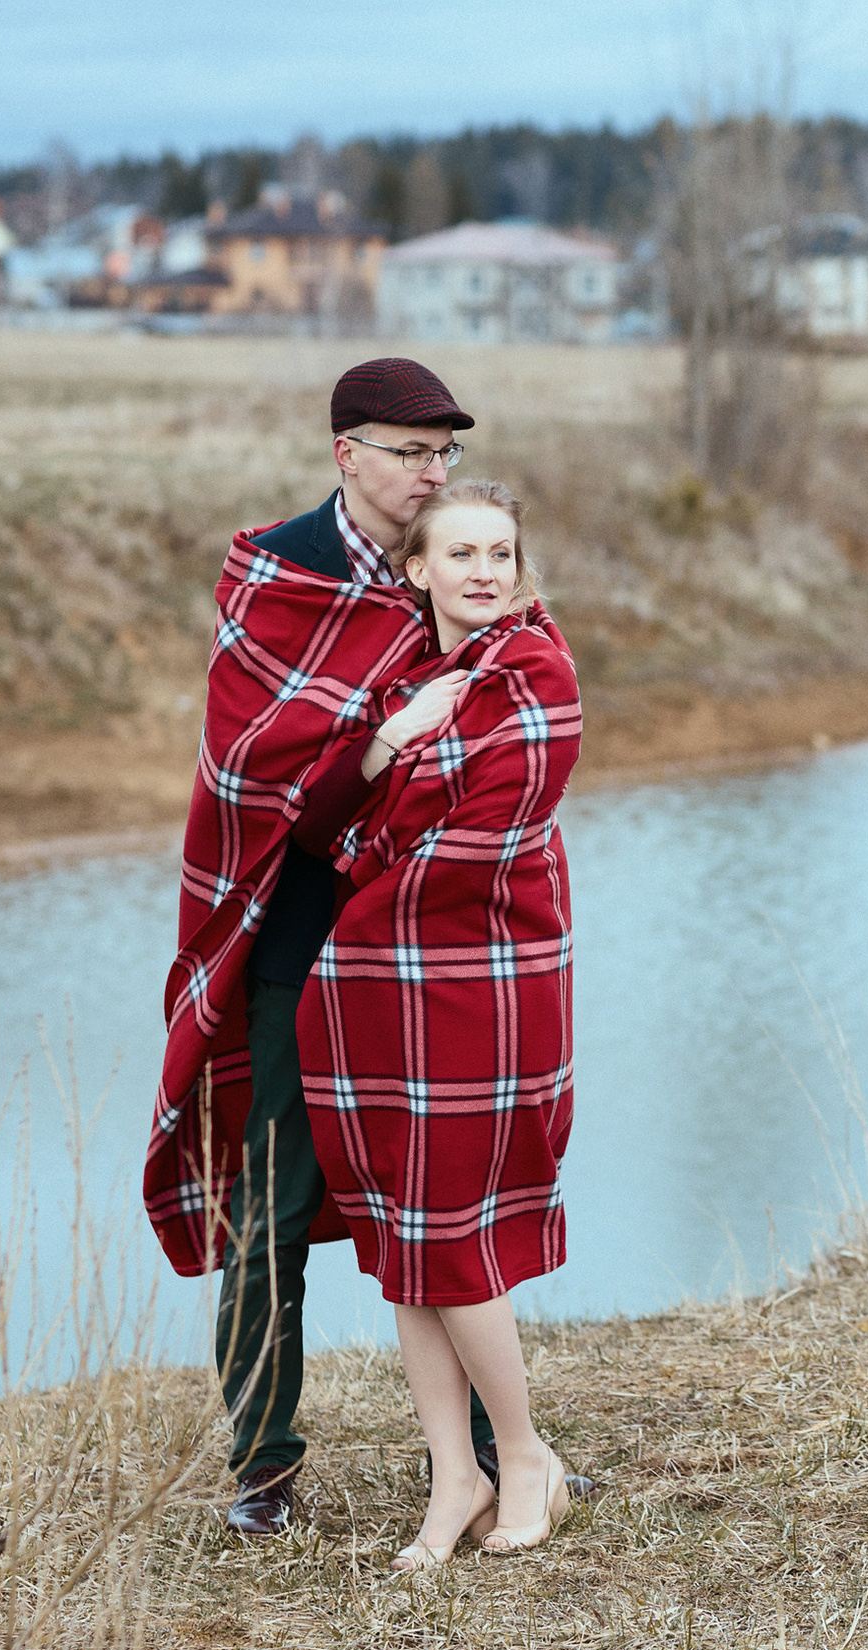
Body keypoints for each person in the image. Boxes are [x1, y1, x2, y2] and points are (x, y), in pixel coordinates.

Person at [147, 358, 504, 1538]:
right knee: (271, 1206)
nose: (432, 473)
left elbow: (506, 716)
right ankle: (261, 1469)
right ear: (347, 453)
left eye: (444, 452)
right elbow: (257, 772)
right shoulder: (277, 575)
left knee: (445, 1197)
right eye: (410, 452)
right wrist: (380, 742)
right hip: (300, 937)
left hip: (422, 933)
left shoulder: (458, 560)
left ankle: (495, 1450)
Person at [292, 480, 582, 1569]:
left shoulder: (535, 674)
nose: (484, 571)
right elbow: (317, 822)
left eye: (500, 552)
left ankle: (526, 1455)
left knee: (454, 1234)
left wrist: (360, 904)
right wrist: (386, 740)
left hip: (482, 978)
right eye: (460, 553)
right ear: (417, 569)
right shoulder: (411, 684)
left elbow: (482, 841)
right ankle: (455, 1474)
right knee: (408, 1235)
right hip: (388, 990)